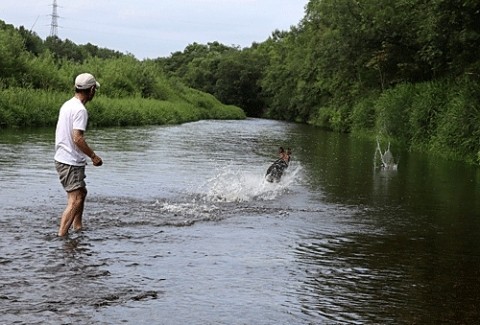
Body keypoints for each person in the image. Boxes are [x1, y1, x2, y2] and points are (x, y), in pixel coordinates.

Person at [54, 73, 103, 237]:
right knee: (75, 199)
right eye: (94, 89)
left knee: (81, 193)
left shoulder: (68, 104)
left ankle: (78, 227)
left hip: (63, 157)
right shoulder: (80, 110)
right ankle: (62, 236)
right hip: (70, 161)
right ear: (91, 90)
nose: (94, 92)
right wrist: (93, 156)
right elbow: (77, 138)